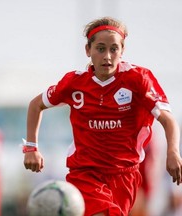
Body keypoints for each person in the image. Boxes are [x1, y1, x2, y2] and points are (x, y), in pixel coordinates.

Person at [22, 16, 182, 216]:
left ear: (122, 51)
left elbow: (167, 120)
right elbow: (36, 105)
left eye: (114, 49)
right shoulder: (74, 83)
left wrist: (173, 152)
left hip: (125, 175)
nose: (107, 55)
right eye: (100, 48)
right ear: (88, 50)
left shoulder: (138, 80)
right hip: (85, 172)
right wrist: (31, 147)